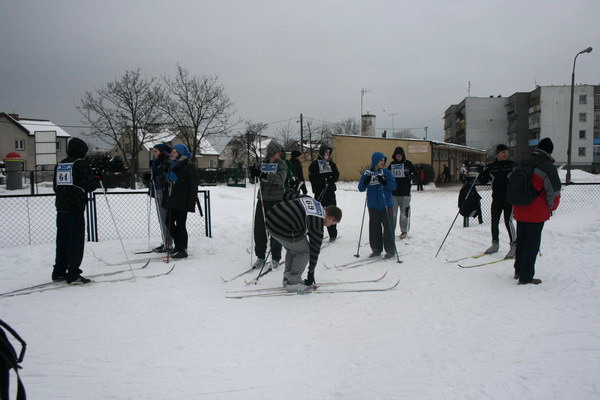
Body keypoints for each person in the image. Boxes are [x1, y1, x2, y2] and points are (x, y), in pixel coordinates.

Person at [266, 197, 342, 292]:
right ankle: (293, 283)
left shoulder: (315, 203)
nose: (330, 226)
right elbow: (315, 249)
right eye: (332, 223)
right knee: (305, 251)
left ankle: (288, 278)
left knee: (294, 248)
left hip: (271, 219)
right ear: (331, 218)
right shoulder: (317, 221)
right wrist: (311, 272)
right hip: (281, 226)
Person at [52, 137, 101, 284]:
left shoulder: (60, 164)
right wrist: (97, 177)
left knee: (62, 241)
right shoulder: (80, 164)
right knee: (75, 242)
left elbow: (56, 187)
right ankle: (73, 273)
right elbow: (89, 185)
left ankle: (59, 271)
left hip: (61, 208)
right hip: (75, 208)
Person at [513, 138, 561, 285]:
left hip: (520, 208)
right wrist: (551, 208)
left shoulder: (522, 162)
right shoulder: (547, 167)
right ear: (549, 151)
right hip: (536, 211)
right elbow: (554, 192)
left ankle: (518, 270)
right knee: (532, 244)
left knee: (521, 240)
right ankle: (526, 277)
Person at [249, 139, 287, 269]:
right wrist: (253, 173)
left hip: (276, 199)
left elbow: (280, 180)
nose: (280, 154)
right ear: (272, 152)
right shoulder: (262, 163)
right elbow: (254, 180)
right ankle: (260, 256)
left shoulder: (282, 164)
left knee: (276, 229)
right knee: (259, 229)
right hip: (263, 199)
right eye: (278, 152)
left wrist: (264, 175)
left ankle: (276, 257)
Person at [478, 144, 517, 258]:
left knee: (508, 221)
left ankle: (514, 246)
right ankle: (495, 244)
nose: (505, 154)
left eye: (506, 152)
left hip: (509, 199)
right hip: (496, 198)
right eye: (502, 152)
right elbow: (483, 181)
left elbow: (519, 178)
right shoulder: (491, 166)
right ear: (497, 154)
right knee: (494, 221)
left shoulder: (511, 165)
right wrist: (482, 173)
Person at [358, 152, 397, 259]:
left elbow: (393, 187)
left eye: (384, 160)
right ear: (375, 161)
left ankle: (390, 249)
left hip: (386, 205)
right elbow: (361, 188)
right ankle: (376, 249)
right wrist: (365, 182)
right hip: (373, 205)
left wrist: (384, 182)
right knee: (374, 228)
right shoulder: (367, 173)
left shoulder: (386, 173)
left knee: (388, 228)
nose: (383, 162)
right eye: (381, 160)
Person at [164, 143, 199, 259]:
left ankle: (182, 248)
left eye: (174, 152)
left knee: (180, 224)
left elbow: (193, 185)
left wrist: (191, 202)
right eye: (172, 152)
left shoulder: (188, 166)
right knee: (168, 221)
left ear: (180, 153)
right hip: (173, 199)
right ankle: (178, 245)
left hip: (183, 200)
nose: (172, 154)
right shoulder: (174, 165)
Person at [308, 144, 340, 242]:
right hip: (319, 192)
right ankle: (318, 233)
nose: (327, 154)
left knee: (332, 212)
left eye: (328, 153)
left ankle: (333, 234)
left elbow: (336, 175)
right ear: (322, 153)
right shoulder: (314, 164)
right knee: (319, 214)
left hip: (330, 192)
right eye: (326, 152)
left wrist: (330, 179)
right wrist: (323, 181)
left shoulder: (331, 164)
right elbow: (312, 178)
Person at [387, 146, 416, 239]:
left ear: (403, 155)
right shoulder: (392, 165)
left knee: (404, 213)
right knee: (393, 213)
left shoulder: (408, 164)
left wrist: (410, 175)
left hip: (405, 193)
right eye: (396, 156)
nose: (398, 157)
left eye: (399, 155)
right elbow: (386, 175)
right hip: (394, 193)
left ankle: (404, 231)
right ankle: (391, 230)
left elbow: (415, 176)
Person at [149, 143, 173, 253]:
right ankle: (165, 241)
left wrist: (162, 177)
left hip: (165, 194)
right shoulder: (156, 163)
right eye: (153, 151)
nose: (153, 153)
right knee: (160, 218)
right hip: (157, 191)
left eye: (156, 151)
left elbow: (172, 178)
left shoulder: (167, 163)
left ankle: (168, 244)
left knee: (164, 219)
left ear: (162, 152)